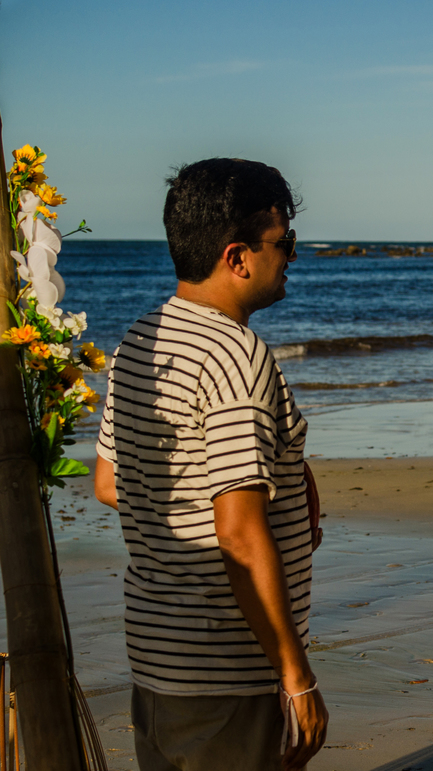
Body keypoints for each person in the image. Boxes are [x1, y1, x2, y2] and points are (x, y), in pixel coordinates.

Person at [93, 158, 328, 771]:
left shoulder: (140, 341)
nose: (291, 257)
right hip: (228, 668)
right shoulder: (234, 356)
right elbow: (240, 534)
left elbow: (110, 482)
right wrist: (295, 673)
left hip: (156, 658)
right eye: (284, 242)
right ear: (237, 256)